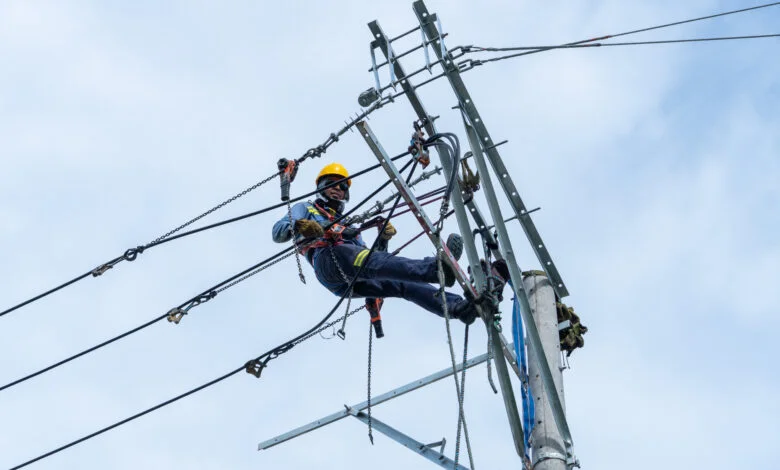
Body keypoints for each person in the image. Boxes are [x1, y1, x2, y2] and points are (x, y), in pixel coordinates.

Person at [272, 162, 507, 325]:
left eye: (343, 186)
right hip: (327, 262)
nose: (337, 188)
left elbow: (371, 261)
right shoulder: (307, 208)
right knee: (364, 259)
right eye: (331, 183)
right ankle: (434, 269)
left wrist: (382, 239)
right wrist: (301, 226)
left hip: (349, 280)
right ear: (320, 186)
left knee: (400, 284)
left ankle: (460, 308)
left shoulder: (347, 224)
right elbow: (278, 232)